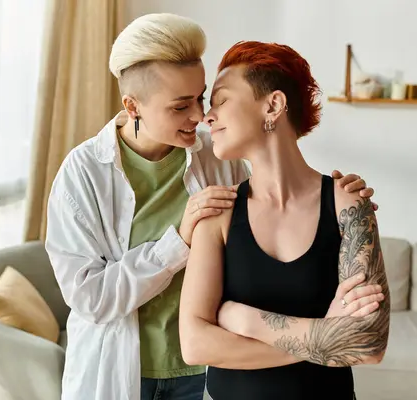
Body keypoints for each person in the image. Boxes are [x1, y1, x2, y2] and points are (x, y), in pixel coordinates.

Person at [45, 13, 380, 400]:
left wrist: (337, 199)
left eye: (201, 98)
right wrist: (178, 242)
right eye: (179, 106)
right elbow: (91, 298)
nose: (199, 116)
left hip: (207, 374)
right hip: (125, 371)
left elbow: (263, 234)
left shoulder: (219, 157)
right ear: (133, 106)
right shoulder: (83, 173)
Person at [178, 40, 391, 400]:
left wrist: (247, 322)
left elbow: (368, 343)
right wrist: (324, 335)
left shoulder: (348, 204)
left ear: (273, 105)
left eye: (220, 100)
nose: (206, 116)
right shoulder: (217, 215)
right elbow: (195, 346)